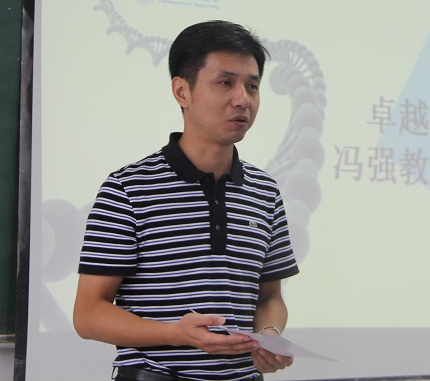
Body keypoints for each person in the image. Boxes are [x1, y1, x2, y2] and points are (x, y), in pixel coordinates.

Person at [73, 20, 300, 381]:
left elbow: (270, 296)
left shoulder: (265, 191)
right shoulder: (127, 189)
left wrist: (269, 334)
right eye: (225, 83)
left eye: (252, 86)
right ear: (182, 91)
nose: (242, 99)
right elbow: (88, 315)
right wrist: (176, 333)